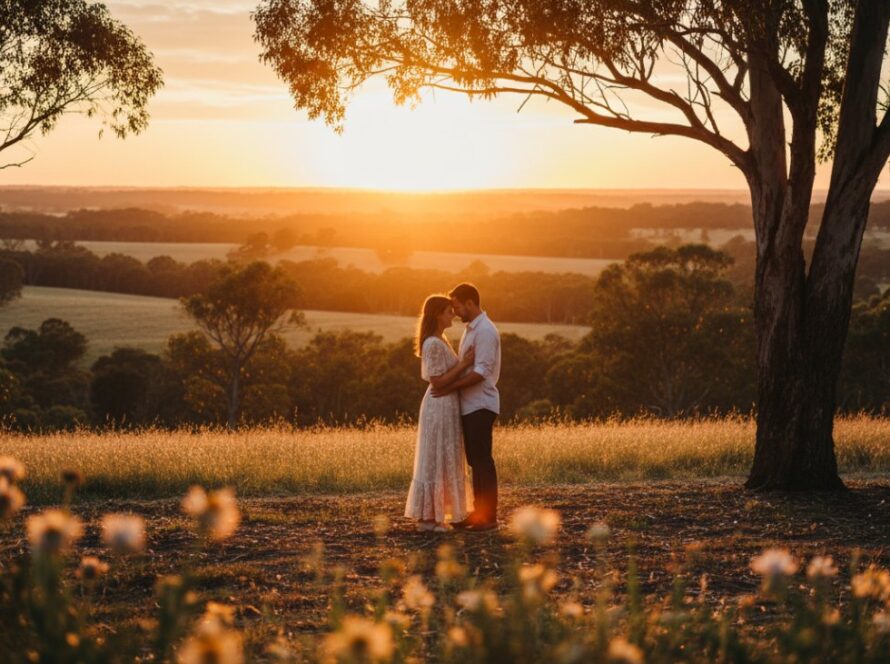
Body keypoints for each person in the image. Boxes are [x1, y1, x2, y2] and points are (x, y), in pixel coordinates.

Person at [433, 283, 501, 532]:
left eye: (458, 305)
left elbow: (482, 372)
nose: (455, 310)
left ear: (470, 303)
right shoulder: (471, 330)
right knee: (475, 460)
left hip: (481, 403)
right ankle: (479, 513)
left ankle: (489, 517)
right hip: (470, 404)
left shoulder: (484, 331)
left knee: (482, 460)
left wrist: (450, 388)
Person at [404, 294, 475, 532]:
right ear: (437, 315)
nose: (452, 315)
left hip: (447, 405)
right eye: (448, 311)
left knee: (444, 456)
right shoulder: (433, 343)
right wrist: (464, 365)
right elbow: (436, 382)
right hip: (439, 405)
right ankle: (428, 519)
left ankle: (434, 515)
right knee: (435, 457)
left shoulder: (439, 339)